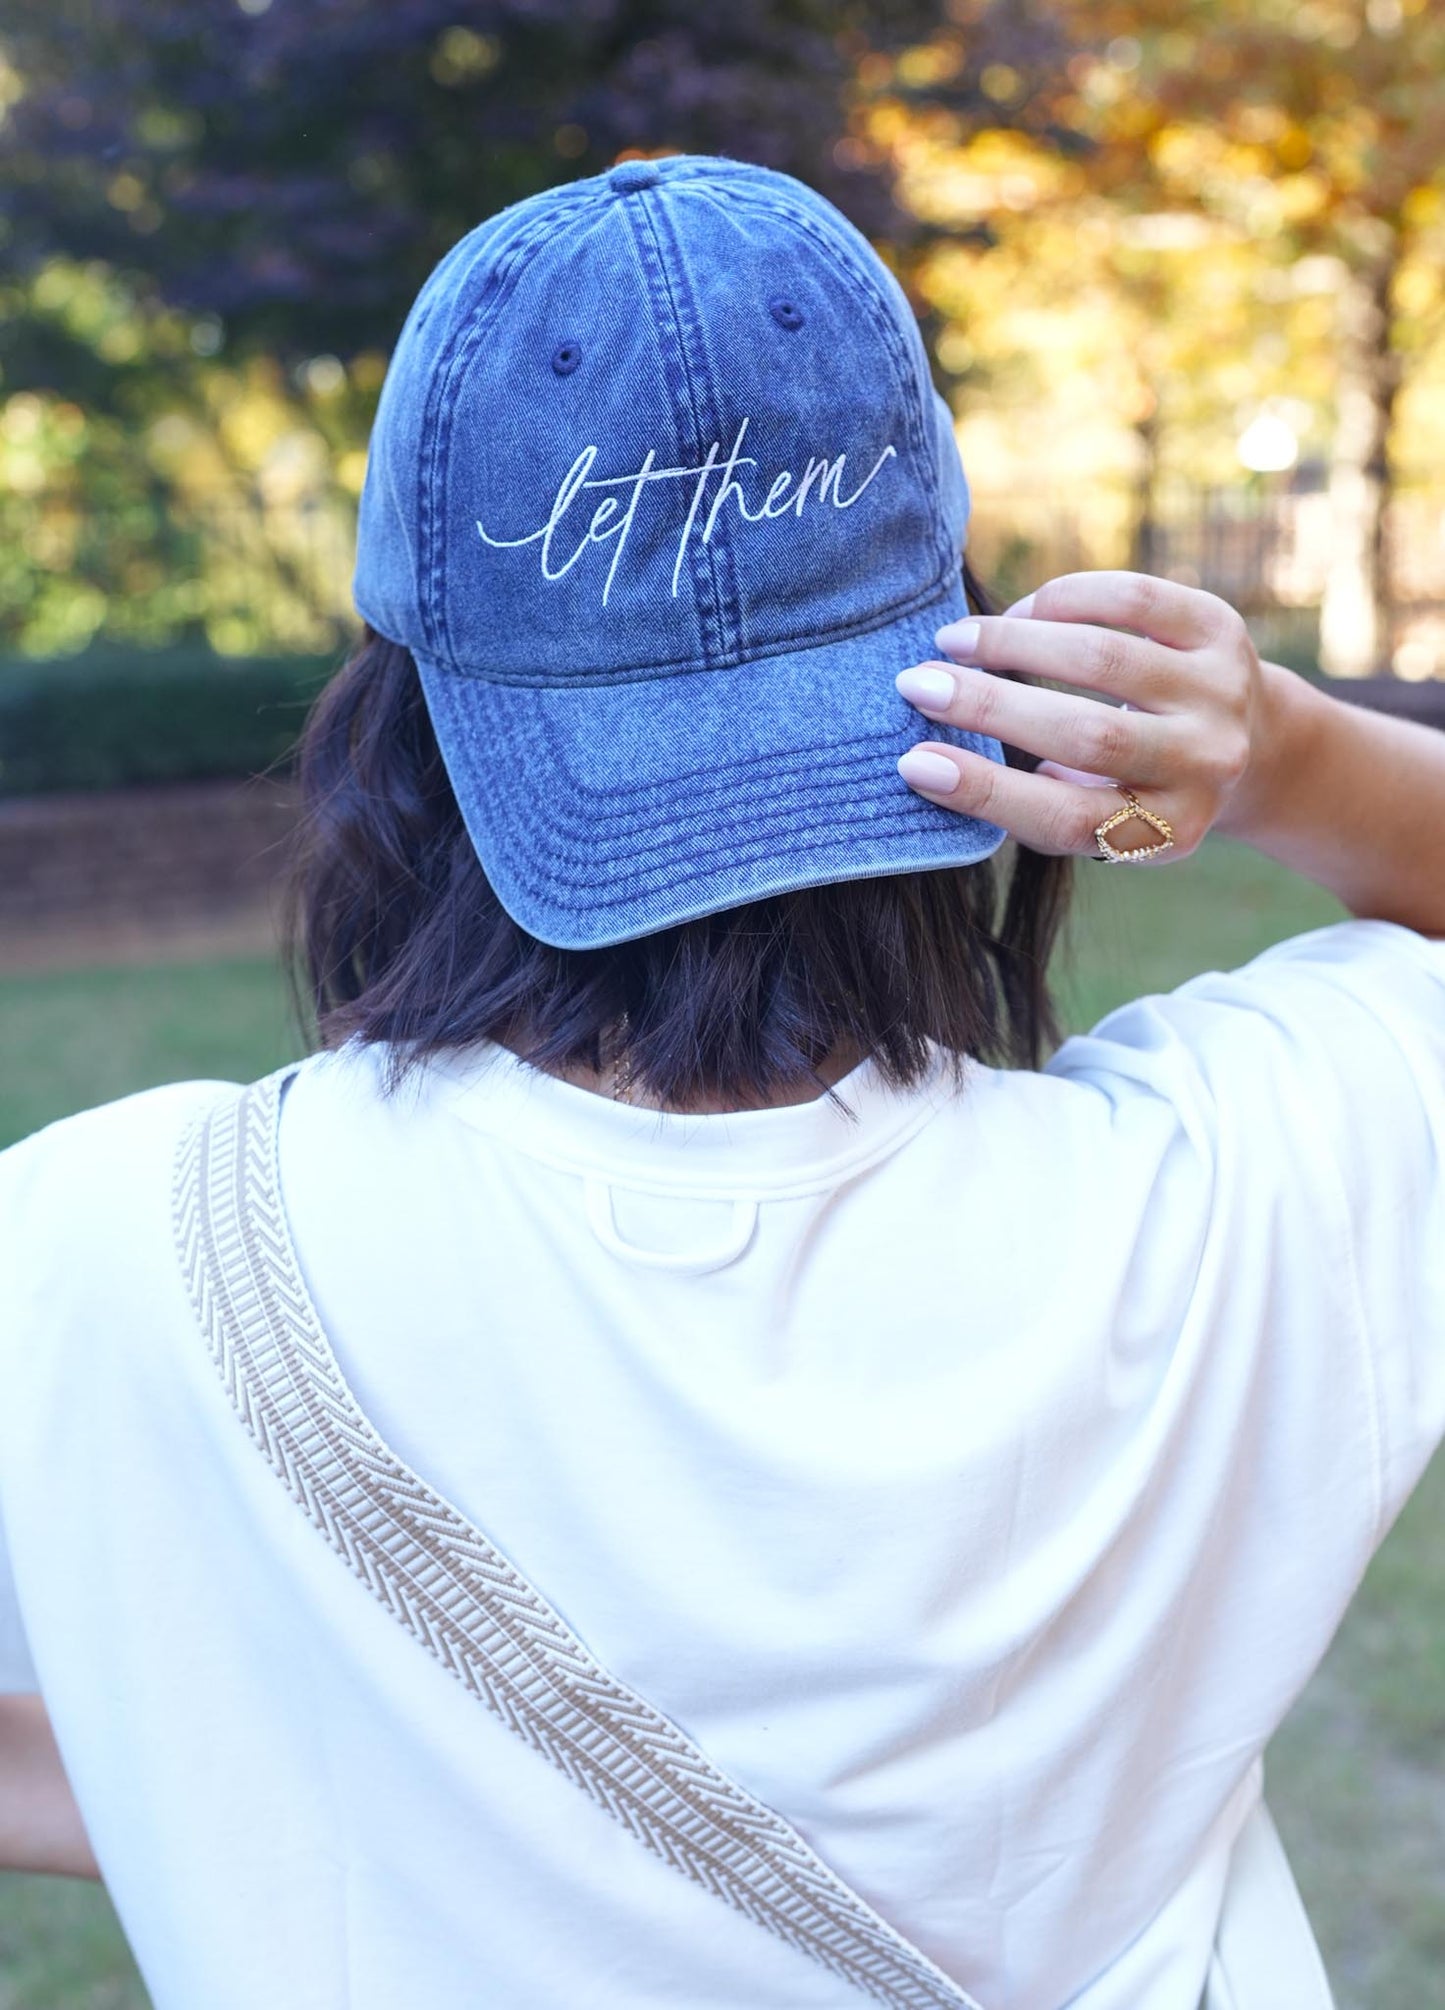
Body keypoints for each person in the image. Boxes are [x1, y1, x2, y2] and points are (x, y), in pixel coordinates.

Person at [1, 154, 1442, 2010]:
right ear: (976, 668)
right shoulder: (1246, 1194)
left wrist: (278, 1780)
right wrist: (1294, 752)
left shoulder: (117, 1258)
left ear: (397, 721)